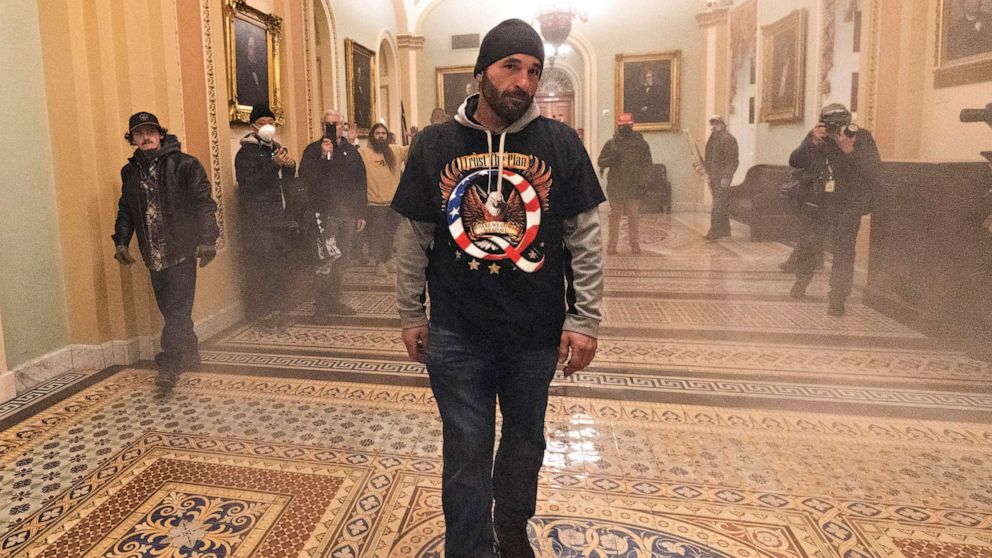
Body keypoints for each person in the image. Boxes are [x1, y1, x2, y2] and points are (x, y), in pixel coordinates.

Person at [391, 19, 605, 558]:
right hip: (457, 331)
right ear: (481, 72)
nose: (524, 82)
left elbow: (585, 237)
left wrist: (584, 321)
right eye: (511, 66)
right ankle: (467, 547)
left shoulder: (559, 143)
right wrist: (410, 313)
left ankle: (510, 526)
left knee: (525, 444)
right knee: (466, 449)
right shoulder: (435, 144)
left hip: (535, 333)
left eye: (534, 70)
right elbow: (414, 236)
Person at [113, 111, 218, 396]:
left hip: (181, 251)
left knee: (176, 311)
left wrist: (208, 240)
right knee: (172, 310)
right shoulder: (130, 172)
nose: (145, 137)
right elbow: (126, 210)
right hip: (153, 255)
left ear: (160, 134)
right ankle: (191, 353)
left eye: (150, 131)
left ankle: (168, 364)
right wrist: (121, 241)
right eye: (139, 133)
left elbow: (203, 204)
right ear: (132, 139)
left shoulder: (185, 165)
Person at [788, 103, 881, 317]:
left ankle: (838, 297)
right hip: (821, 202)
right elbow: (795, 161)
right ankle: (801, 281)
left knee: (844, 251)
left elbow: (873, 170)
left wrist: (849, 151)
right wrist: (812, 140)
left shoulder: (862, 137)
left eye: (840, 124)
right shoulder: (817, 138)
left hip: (848, 203)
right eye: (831, 125)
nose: (836, 129)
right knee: (809, 244)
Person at [299, 109, 368, 321]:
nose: (332, 127)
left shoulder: (351, 151)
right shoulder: (312, 150)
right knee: (324, 260)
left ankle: (334, 299)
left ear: (343, 126)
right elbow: (305, 176)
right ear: (323, 126)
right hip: (323, 213)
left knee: (342, 259)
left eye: (336, 124)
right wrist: (322, 156)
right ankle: (321, 305)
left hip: (346, 213)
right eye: (328, 124)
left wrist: (360, 213)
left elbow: (360, 183)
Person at [234, 103, 297, 332]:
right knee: (264, 267)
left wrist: (289, 166)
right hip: (258, 220)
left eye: (271, 122)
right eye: (263, 123)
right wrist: (273, 166)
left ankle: (279, 311)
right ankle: (262, 314)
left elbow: (285, 181)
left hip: (277, 216)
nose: (268, 126)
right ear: (253, 126)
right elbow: (249, 185)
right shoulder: (246, 153)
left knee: (280, 265)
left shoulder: (277, 148)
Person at [598, 112, 653, 255]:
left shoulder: (641, 144)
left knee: (633, 216)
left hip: (634, 186)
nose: (624, 128)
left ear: (632, 126)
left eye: (627, 126)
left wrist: (644, 182)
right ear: (618, 126)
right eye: (622, 126)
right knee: (615, 216)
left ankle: (635, 245)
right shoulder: (611, 144)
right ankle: (612, 246)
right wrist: (612, 158)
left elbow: (647, 165)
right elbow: (600, 161)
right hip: (616, 187)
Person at [359, 122, 408, 275]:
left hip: (393, 204)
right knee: (376, 235)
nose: (381, 136)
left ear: (387, 136)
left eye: (384, 133)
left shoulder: (394, 150)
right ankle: (379, 262)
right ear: (372, 136)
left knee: (390, 234)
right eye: (378, 133)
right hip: (374, 203)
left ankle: (387, 260)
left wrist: (413, 138)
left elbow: (413, 150)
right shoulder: (363, 153)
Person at [699, 115, 739, 241]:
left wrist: (726, 178)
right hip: (714, 176)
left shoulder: (728, 139)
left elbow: (732, 161)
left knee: (717, 205)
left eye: (716, 123)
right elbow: (710, 157)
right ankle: (725, 231)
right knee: (720, 203)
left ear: (722, 124)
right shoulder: (714, 139)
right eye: (712, 123)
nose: (713, 126)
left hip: (722, 177)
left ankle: (714, 231)